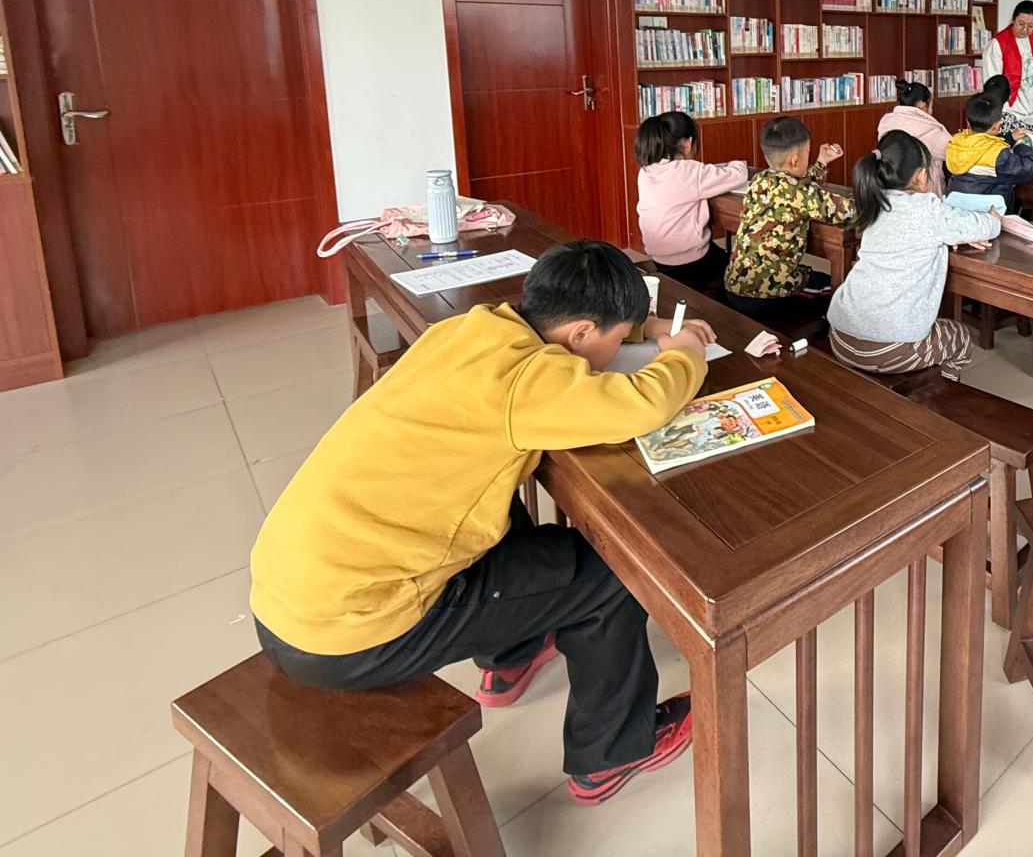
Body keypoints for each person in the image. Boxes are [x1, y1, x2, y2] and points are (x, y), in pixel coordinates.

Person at [250, 241, 717, 806]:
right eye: (616, 341)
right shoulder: (525, 383)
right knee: (610, 575)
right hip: (351, 631)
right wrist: (684, 352)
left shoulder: (470, 329)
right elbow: (638, 406)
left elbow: (574, 338)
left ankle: (511, 658)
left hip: (290, 591)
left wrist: (644, 327)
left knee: (496, 504)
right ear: (580, 333)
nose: (616, 351)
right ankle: (613, 752)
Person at [828, 131, 1000, 380]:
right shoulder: (927, 209)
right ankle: (939, 391)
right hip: (890, 350)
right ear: (920, 176)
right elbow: (984, 226)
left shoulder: (874, 202)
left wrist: (954, 234)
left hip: (840, 336)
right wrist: (994, 219)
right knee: (960, 338)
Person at [722, 116, 852, 323]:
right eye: (808, 153)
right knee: (840, 289)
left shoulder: (759, 181)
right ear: (794, 159)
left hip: (735, 286)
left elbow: (797, 186)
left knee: (815, 279)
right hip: (769, 295)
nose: (809, 157)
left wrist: (821, 163)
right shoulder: (800, 193)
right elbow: (847, 211)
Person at [632, 111, 749, 289]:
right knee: (741, 267)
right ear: (688, 144)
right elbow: (739, 173)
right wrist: (731, 164)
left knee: (722, 255)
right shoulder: (690, 171)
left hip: (659, 258)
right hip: (691, 261)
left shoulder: (646, 171)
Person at [945, 91, 1033, 204]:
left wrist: (1010, 138)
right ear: (997, 126)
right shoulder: (999, 155)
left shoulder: (956, 142)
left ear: (968, 122)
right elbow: (1028, 168)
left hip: (956, 206)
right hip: (988, 210)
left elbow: (983, 147)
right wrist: (1023, 144)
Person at [876, 78, 954, 194]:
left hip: (890, 185)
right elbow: (954, 152)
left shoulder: (886, 121)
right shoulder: (929, 129)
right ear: (922, 105)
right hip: (923, 190)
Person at [981, 0, 1033, 127]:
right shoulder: (998, 43)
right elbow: (991, 82)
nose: (1025, 29)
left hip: (1031, 110)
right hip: (1009, 110)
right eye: (1021, 24)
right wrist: (998, 110)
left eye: (1031, 26)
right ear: (1013, 20)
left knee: (1030, 140)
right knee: (1011, 140)